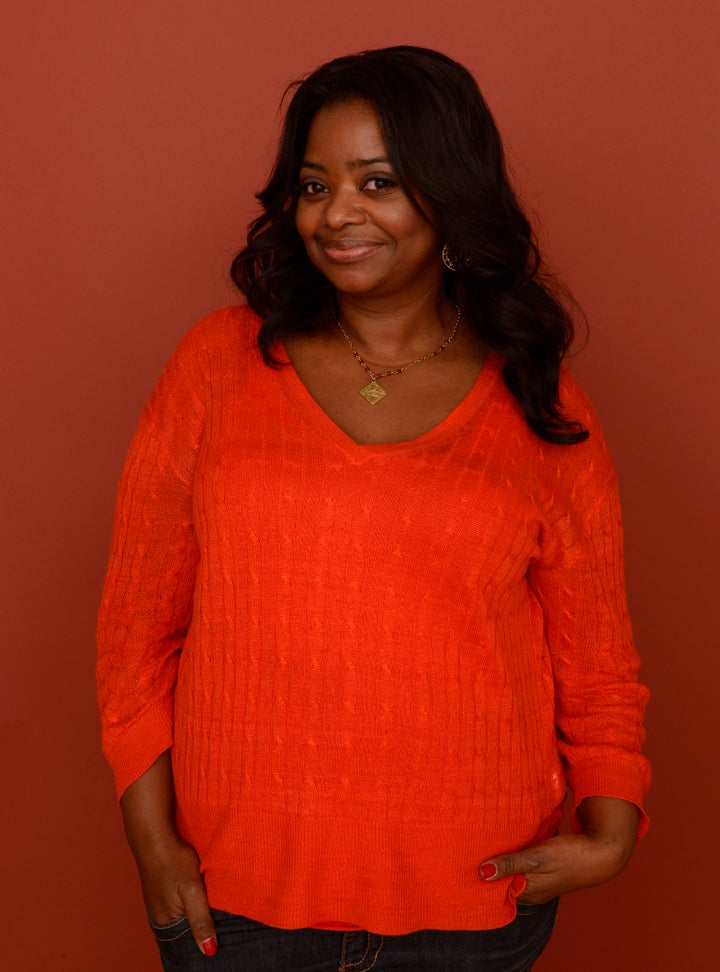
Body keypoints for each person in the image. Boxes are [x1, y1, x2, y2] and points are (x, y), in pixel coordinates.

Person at [96, 46, 650, 972]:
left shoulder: (537, 399)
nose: (338, 213)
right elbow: (133, 636)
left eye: (378, 181)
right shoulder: (218, 367)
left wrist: (616, 817)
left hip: (475, 906)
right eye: (315, 185)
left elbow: (597, 662)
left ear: (449, 196)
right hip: (237, 904)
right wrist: (153, 844)